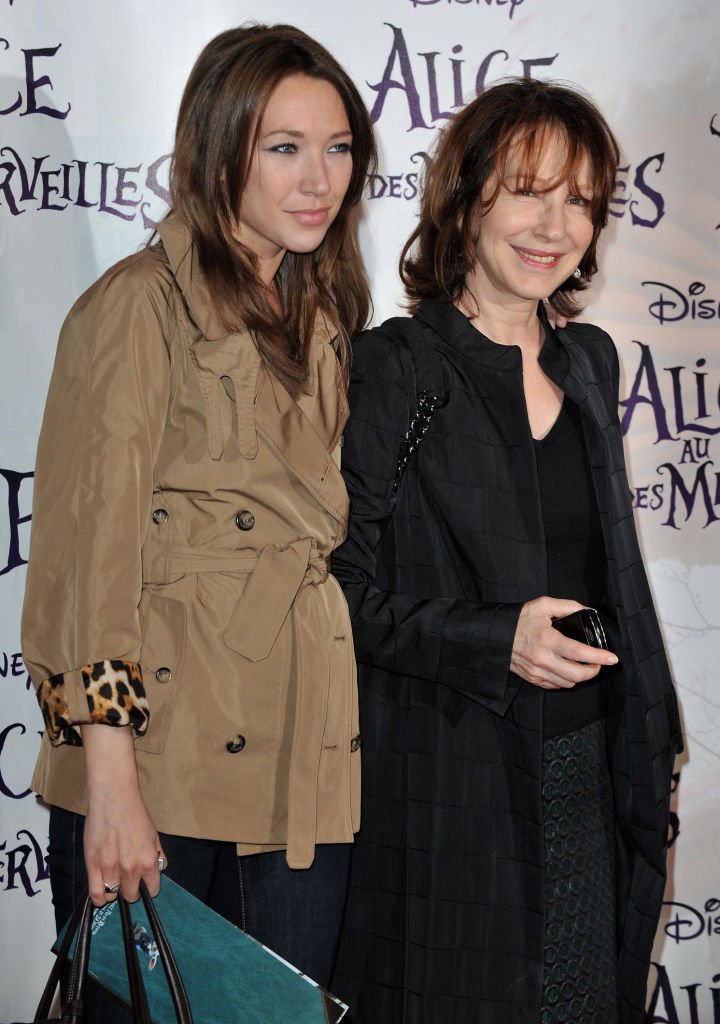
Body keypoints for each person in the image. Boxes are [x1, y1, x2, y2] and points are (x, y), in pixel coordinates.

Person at [22, 23, 376, 1018]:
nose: (319, 178)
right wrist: (110, 789)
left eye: (338, 147)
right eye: (284, 147)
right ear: (220, 150)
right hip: (160, 770)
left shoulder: (323, 318)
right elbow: (86, 562)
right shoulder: (137, 306)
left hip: (300, 773)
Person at [331, 79, 681, 1024]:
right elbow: (333, 592)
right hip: (455, 788)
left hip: (593, 772)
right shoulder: (395, 365)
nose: (554, 224)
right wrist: (496, 640)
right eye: (529, 189)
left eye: (579, 201)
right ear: (467, 193)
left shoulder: (589, 360)